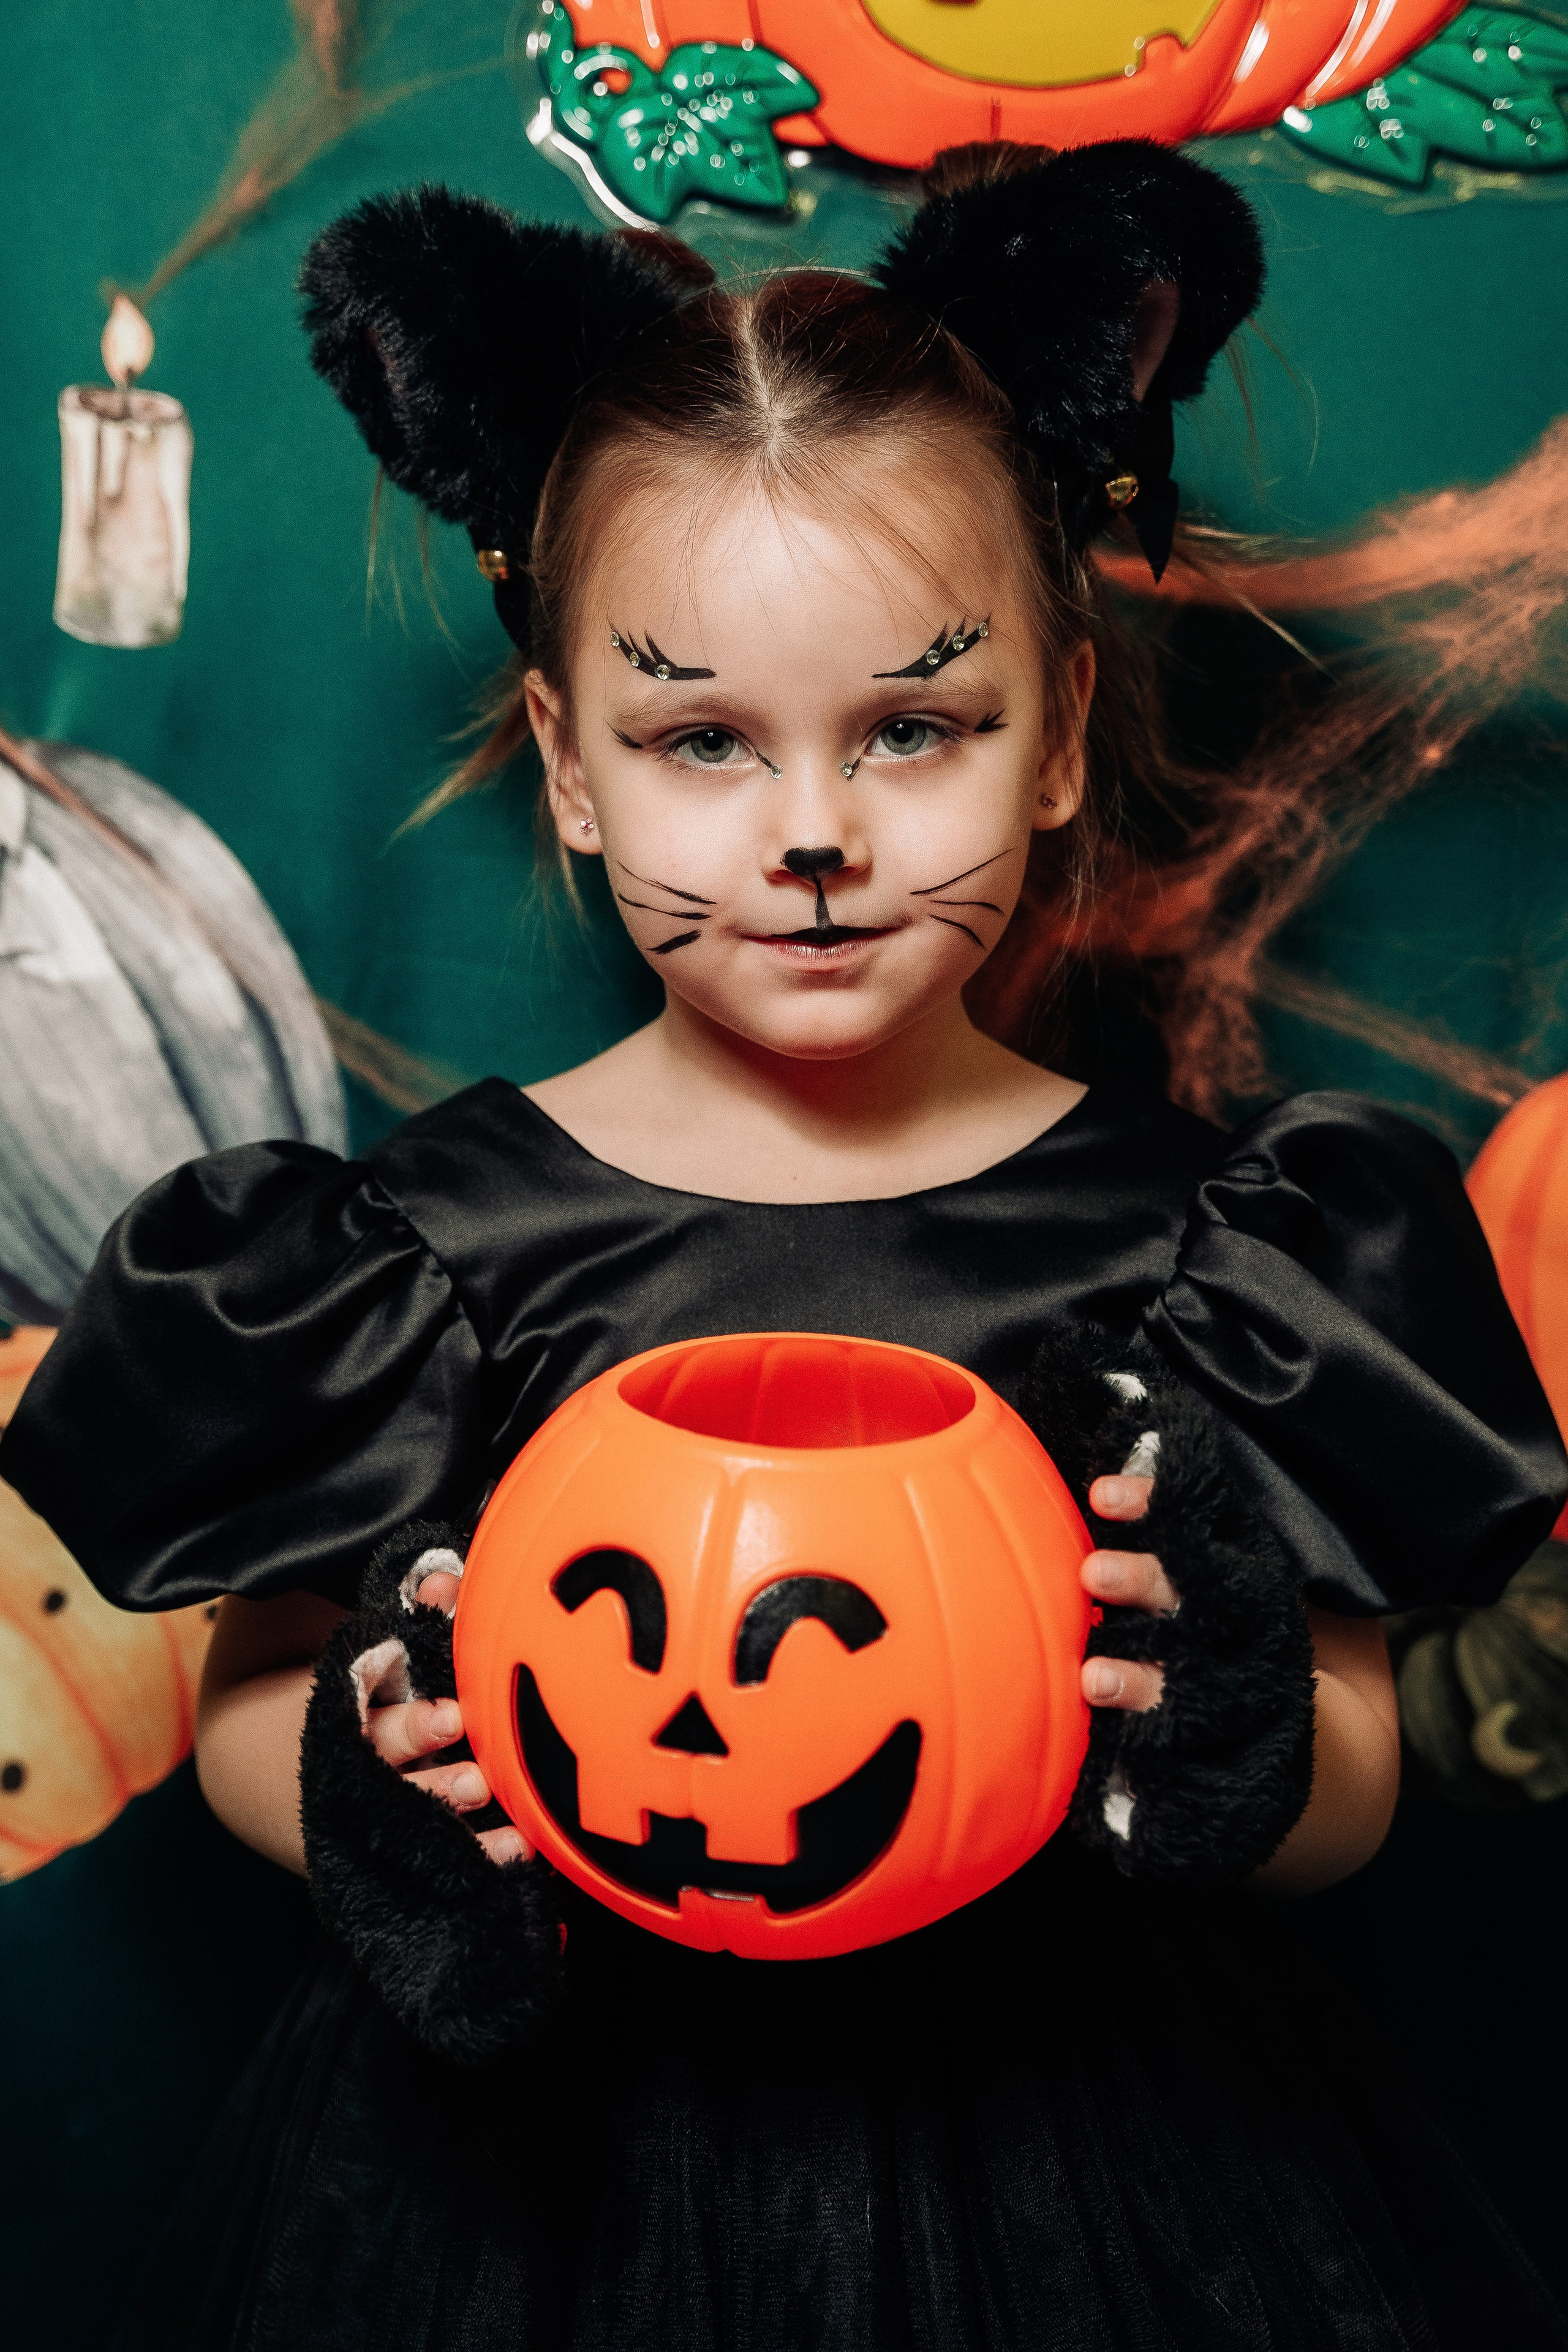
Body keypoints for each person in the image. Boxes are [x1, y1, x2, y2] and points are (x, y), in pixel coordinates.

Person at [7, 140, 1567, 2351]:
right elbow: (267, 1700)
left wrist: (1227, 1726)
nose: (817, 833)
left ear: (1057, 745)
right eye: (701, 740)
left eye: (915, 728)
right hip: (533, 2208)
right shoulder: (416, 1251)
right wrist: (374, 1787)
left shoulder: (1214, 1247)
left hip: (1098, 2168)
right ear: (569, 765)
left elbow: (1346, 1784)